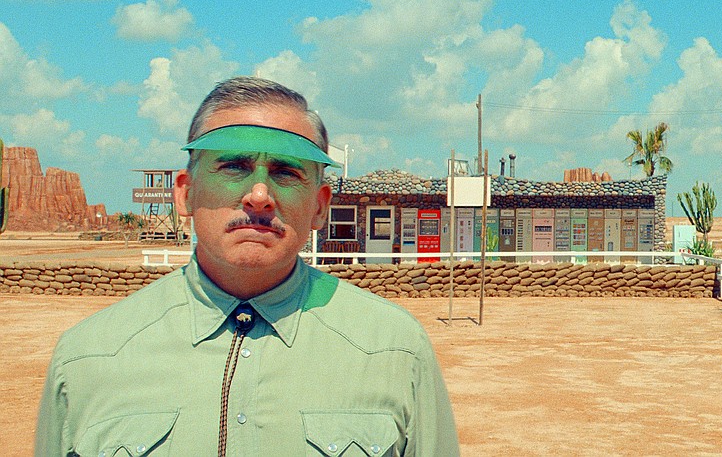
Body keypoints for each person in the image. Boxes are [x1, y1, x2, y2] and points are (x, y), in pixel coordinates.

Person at [35, 77, 459, 456]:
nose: (259, 195)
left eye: (286, 171)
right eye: (234, 165)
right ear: (185, 194)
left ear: (319, 207)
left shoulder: (393, 350)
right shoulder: (88, 357)